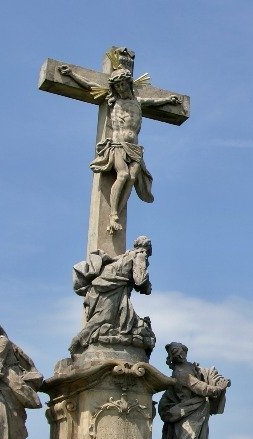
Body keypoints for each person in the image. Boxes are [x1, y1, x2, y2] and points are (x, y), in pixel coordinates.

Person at [58, 64, 180, 232]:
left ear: (129, 84)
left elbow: (155, 102)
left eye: (123, 84)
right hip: (118, 145)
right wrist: (71, 74)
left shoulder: (138, 102)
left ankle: (117, 212)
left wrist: (168, 100)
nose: (121, 88)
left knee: (131, 178)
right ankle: (113, 214)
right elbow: (90, 85)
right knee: (122, 174)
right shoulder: (113, 100)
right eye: (117, 86)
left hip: (135, 148)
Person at [157, 342, 230, 439]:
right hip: (185, 412)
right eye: (174, 352)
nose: (178, 354)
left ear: (184, 351)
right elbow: (200, 388)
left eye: (179, 350)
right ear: (171, 357)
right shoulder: (180, 372)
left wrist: (213, 377)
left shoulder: (191, 367)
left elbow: (203, 377)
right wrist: (218, 388)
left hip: (198, 412)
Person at [70, 235, 156, 354]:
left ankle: (79, 345)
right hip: (109, 289)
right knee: (102, 319)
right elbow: (139, 280)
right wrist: (147, 287)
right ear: (148, 248)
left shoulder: (127, 254)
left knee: (103, 319)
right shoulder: (140, 255)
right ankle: (78, 344)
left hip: (101, 286)